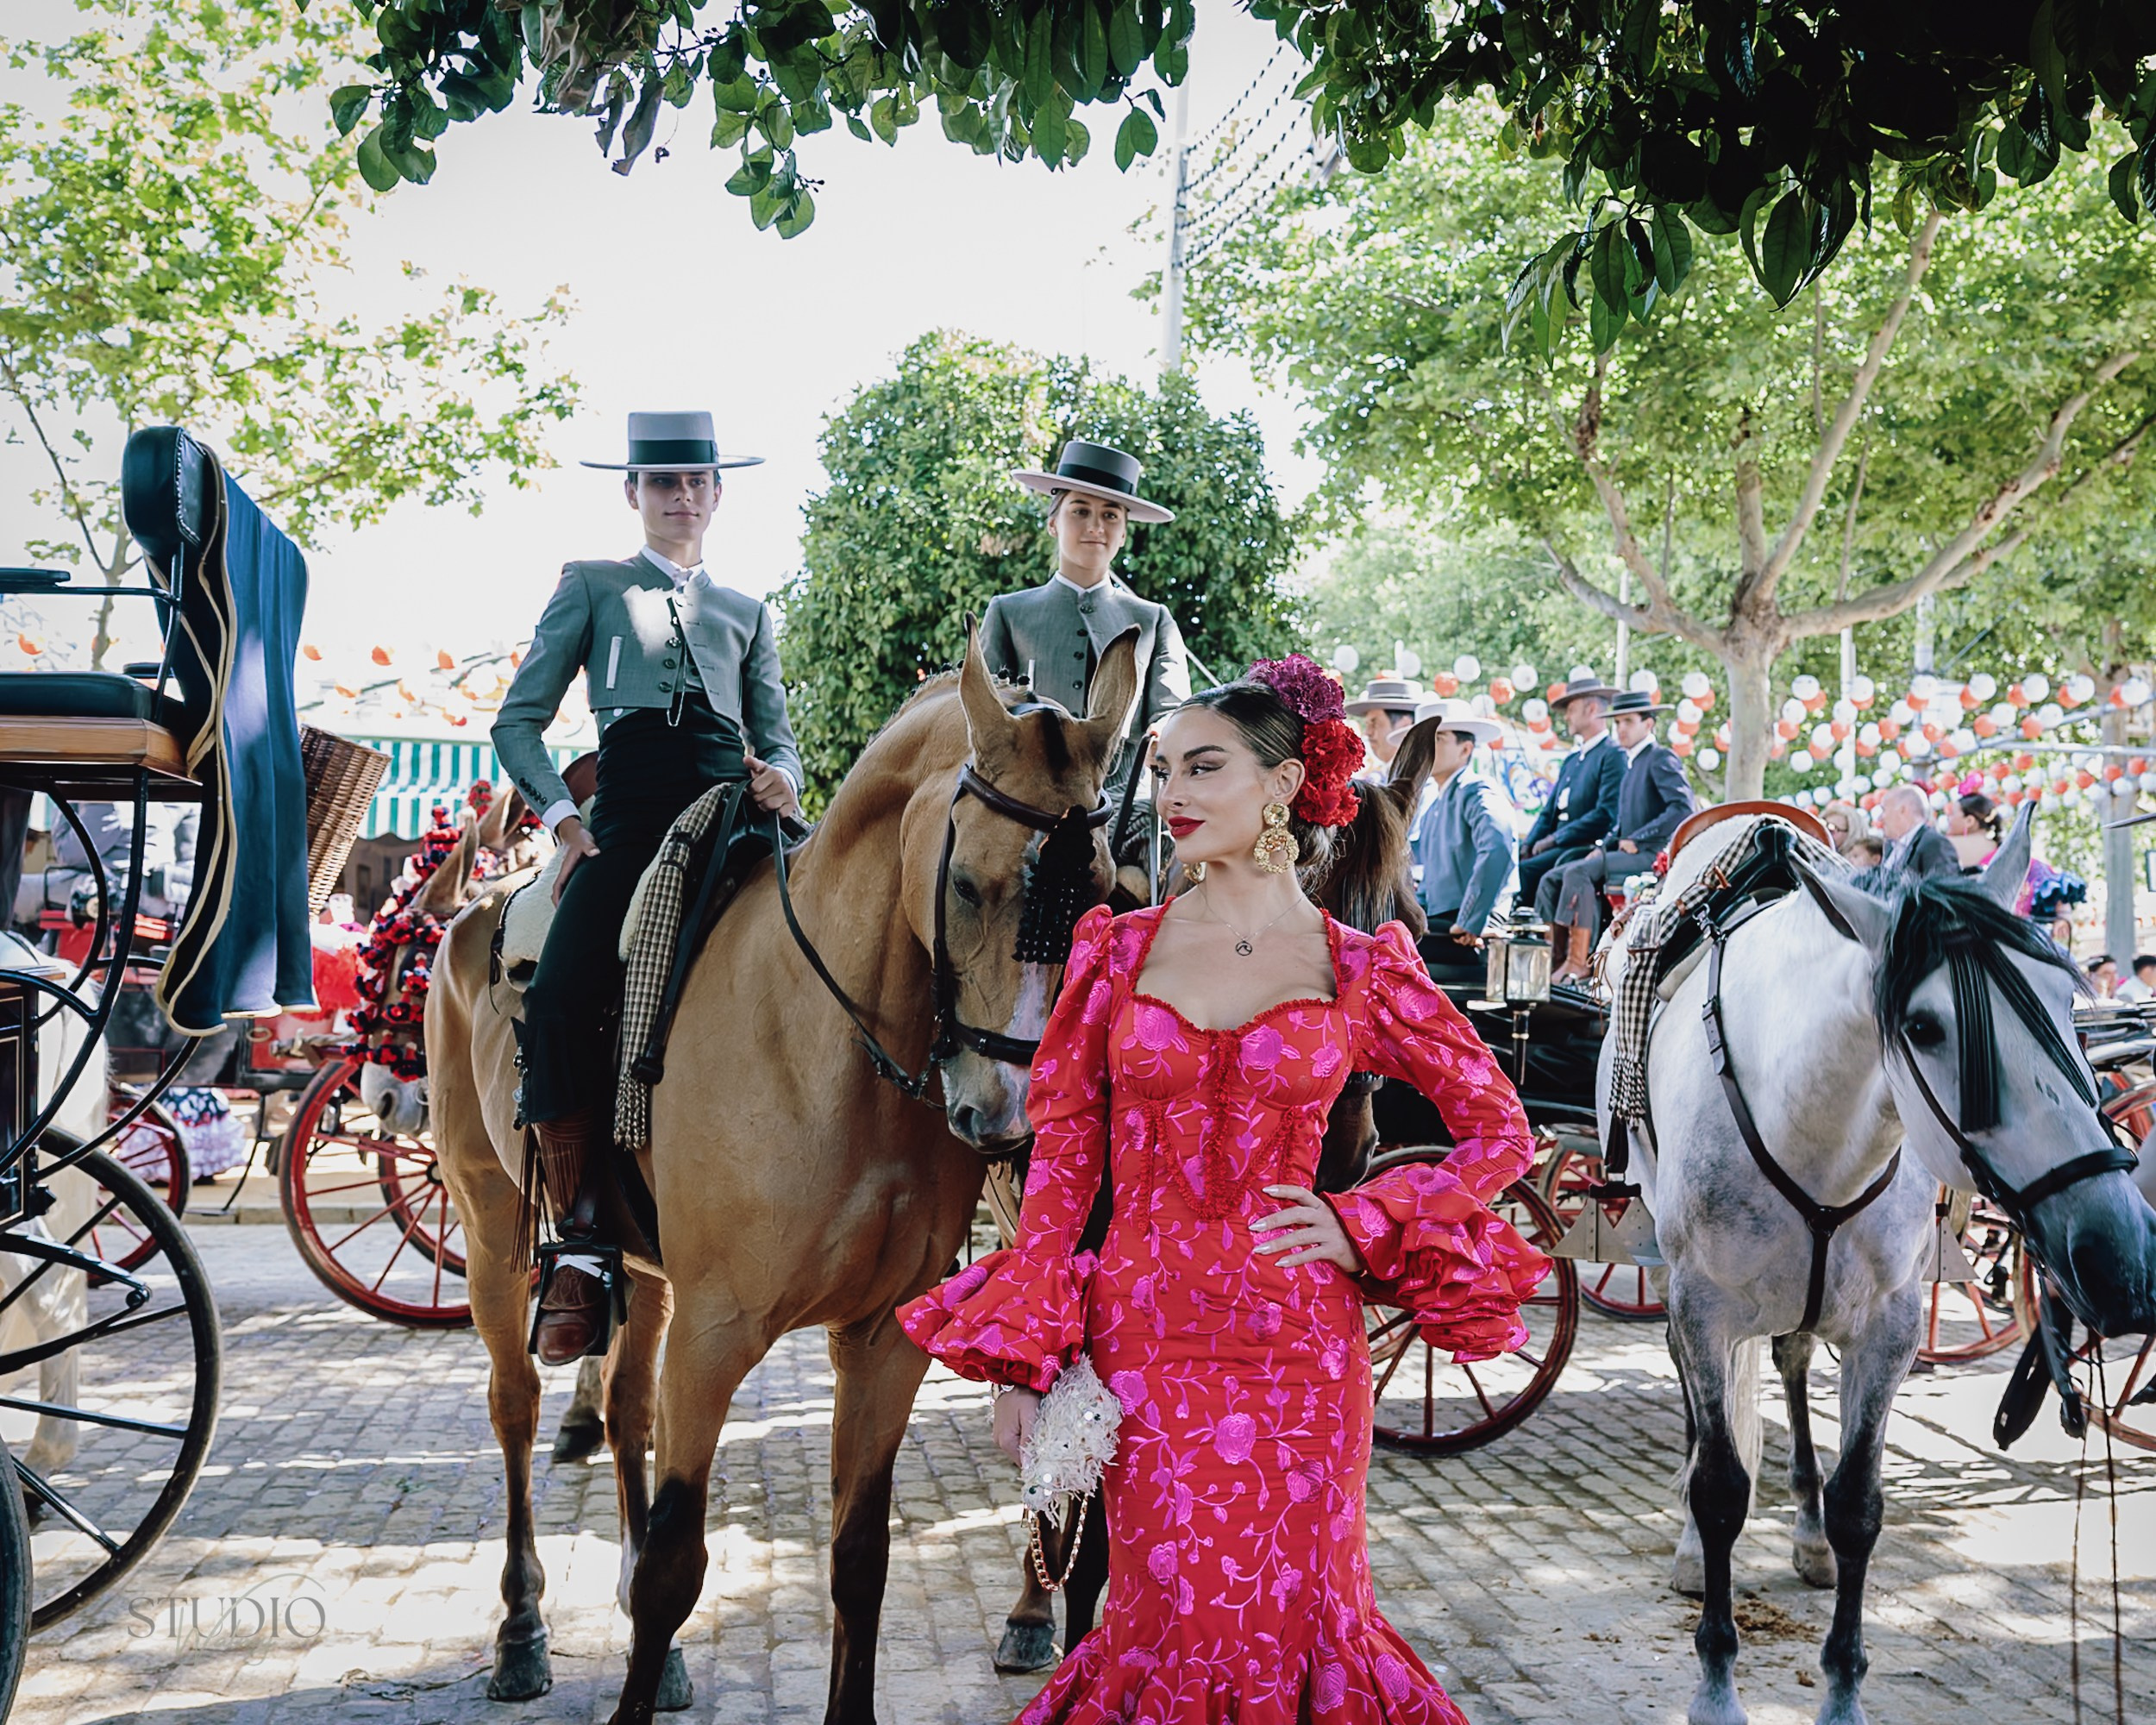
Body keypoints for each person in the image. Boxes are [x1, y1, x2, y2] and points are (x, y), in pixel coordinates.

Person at [899, 653, 1543, 1725]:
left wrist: (1360, 1218)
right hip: (1147, 1335)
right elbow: (1062, 1164)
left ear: (1282, 787)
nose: (1175, 796)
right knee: (1165, 1620)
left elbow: (1498, 1129)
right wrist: (1027, 1355)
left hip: (1298, 1346)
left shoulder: (1356, 964)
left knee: (1304, 1612)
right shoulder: (1117, 951)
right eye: (1164, 772)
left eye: (1204, 769)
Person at [492, 410, 804, 1365]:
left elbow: (776, 730)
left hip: (733, 808)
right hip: (625, 819)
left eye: (696, 481)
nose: (680, 497)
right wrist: (562, 818)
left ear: (717, 493)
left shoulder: (749, 611)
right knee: (559, 994)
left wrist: (783, 773)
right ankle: (581, 1239)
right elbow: (518, 723)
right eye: (661, 482)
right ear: (634, 492)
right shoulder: (588, 585)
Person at [981, 440, 1189, 804]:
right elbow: (983, 713)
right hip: (1025, 801)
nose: (1096, 526)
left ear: (1123, 533)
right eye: (1080, 511)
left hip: (1126, 803)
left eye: (1110, 515)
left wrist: (1166, 733)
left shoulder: (1154, 620)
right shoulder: (1008, 612)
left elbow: (1174, 712)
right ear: (1053, 523)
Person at [1539, 690, 1695, 981]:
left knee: (1576, 873)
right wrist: (1603, 846)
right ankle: (1553, 961)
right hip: (1625, 852)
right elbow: (1621, 826)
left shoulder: (1660, 758)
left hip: (1651, 857)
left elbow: (1683, 808)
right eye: (1618, 722)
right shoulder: (1632, 762)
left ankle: (1580, 963)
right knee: (1552, 878)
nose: (1621, 729)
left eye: (1628, 722)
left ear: (1648, 725)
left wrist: (1640, 839)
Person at [1398, 695, 1516, 986]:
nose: (1427, 747)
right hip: (1442, 921)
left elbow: (1498, 846)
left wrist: (1473, 918)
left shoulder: (1477, 790)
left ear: (1466, 748)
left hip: (1472, 926)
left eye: (1438, 738)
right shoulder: (1434, 801)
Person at [1514, 673, 1623, 906]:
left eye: (1571, 709)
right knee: (1512, 861)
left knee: (1526, 871)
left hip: (1581, 845)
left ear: (1592, 709)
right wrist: (1528, 844)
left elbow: (1605, 814)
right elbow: (1548, 812)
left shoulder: (1613, 754)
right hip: (1556, 843)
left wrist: (1555, 839)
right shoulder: (1573, 759)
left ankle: (1531, 936)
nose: (1566, 717)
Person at [1873, 784, 1960, 881]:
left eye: (1884, 810)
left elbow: (1944, 892)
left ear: (1902, 810)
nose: (1880, 818)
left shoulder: (1935, 844)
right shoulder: (1890, 846)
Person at [1344, 675, 1423, 778]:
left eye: (1374, 723)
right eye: (1367, 725)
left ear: (1404, 726)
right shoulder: (1379, 778)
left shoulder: (1420, 781)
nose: (1368, 732)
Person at [1946, 788, 2002, 869]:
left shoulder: (1946, 844)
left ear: (1969, 821)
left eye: (1952, 814)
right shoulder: (2000, 849)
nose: (1948, 818)